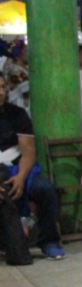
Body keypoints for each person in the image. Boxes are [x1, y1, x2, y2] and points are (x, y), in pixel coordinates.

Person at [0, 76, 64, 264]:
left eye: (2, 87)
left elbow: (29, 152)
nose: (1, 92)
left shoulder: (17, 114)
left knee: (46, 189)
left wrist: (20, 177)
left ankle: (49, 241)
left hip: (17, 168)